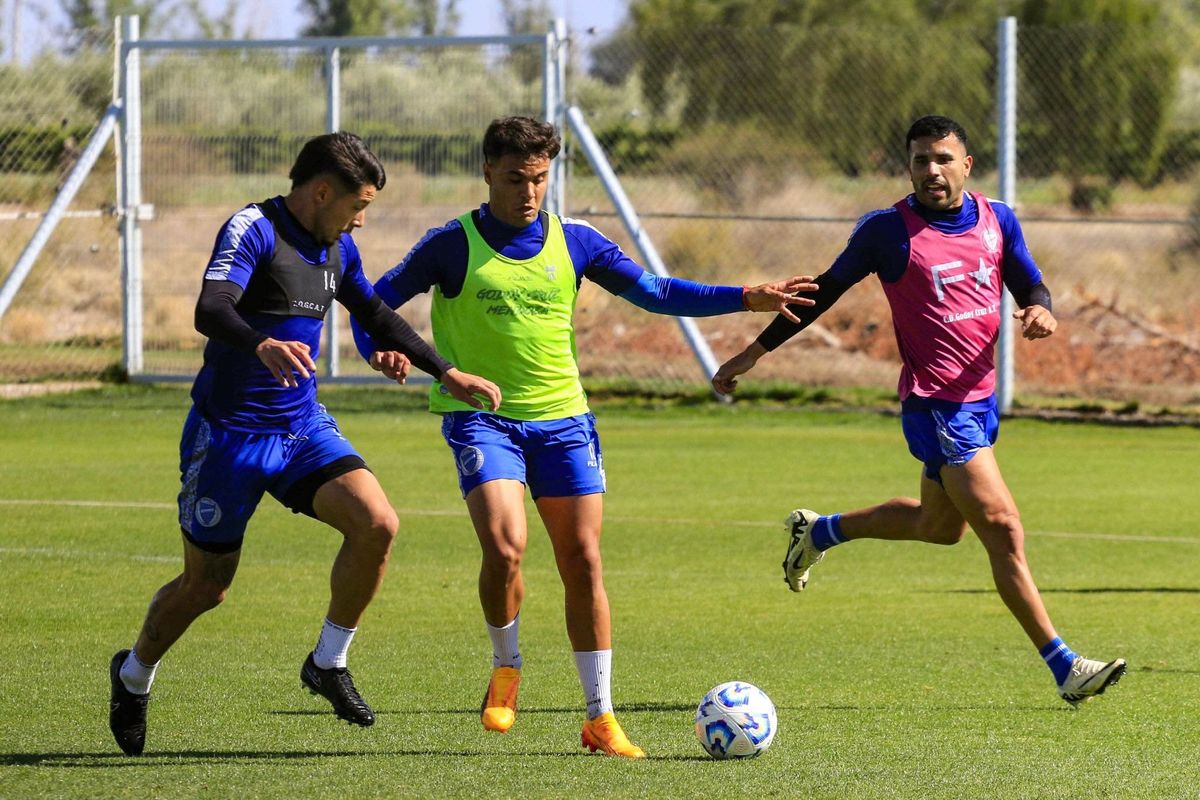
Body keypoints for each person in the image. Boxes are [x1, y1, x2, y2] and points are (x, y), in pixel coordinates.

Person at [352, 116, 816, 757]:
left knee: (585, 564)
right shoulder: (450, 244)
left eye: (541, 178)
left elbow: (655, 292)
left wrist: (744, 297)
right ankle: (506, 666)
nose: (529, 192)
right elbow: (371, 305)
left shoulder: (576, 241)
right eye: (515, 178)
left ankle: (599, 717)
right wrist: (380, 352)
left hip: (565, 421)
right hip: (482, 419)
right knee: (506, 547)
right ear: (488, 173)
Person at [107, 131, 502, 756]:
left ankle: (328, 662)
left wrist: (444, 370)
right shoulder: (253, 229)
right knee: (206, 587)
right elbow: (210, 309)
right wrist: (259, 343)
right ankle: (134, 674)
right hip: (230, 435)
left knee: (377, 524)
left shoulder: (337, 247)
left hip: (301, 427)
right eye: (357, 205)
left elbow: (374, 313)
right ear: (322, 192)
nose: (362, 220)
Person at [712, 115, 1126, 708]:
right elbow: (823, 294)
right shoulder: (887, 231)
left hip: (979, 402)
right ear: (908, 167)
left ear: (966, 165)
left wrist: (1043, 310)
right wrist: (752, 353)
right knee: (1004, 529)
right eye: (919, 161)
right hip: (937, 405)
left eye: (942, 159)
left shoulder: (998, 219)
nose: (931, 170)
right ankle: (1064, 666)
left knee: (940, 529)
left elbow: (1031, 284)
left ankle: (819, 531)